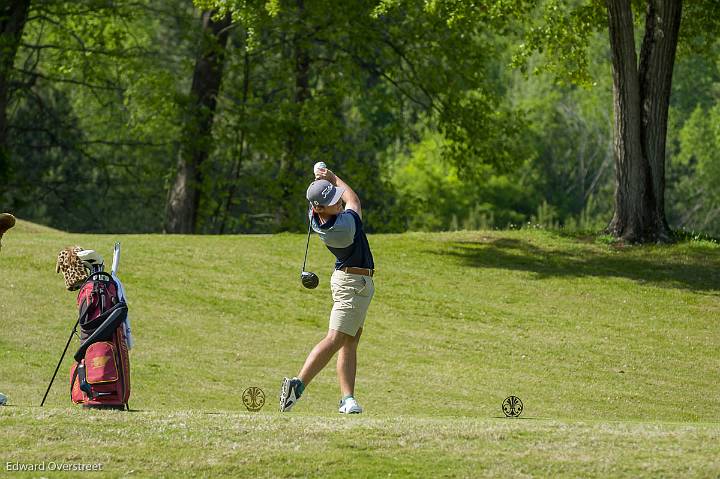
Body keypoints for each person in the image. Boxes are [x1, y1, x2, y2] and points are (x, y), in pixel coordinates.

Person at [280, 167, 375, 414]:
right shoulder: (343, 226)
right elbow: (353, 200)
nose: (338, 204)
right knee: (336, 339)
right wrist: (331, 176)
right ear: (321, 208)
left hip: (356, 283)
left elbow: (323, 200)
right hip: (351, 284)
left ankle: (348, 399)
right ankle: (297, 385)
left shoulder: (315, 215)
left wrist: (321, 183)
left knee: (350, 341)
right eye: (333, 202)